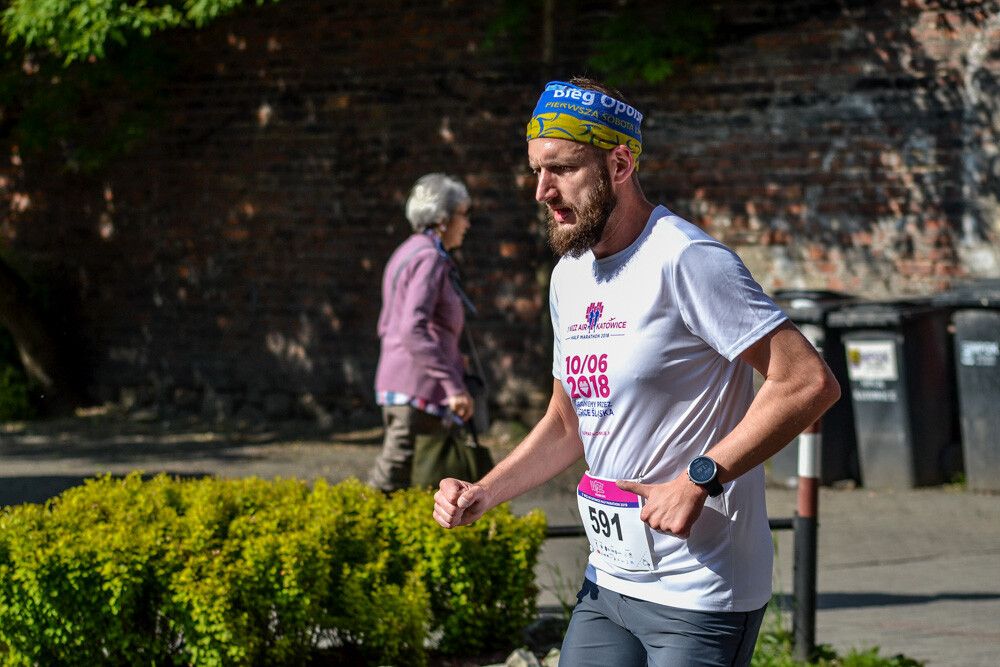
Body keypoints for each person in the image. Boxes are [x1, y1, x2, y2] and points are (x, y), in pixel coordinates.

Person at [432, 78, 841, 666]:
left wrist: (700, 477)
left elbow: (806, 381)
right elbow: (567, 421)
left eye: (563, 169)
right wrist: (484, 493)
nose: (543, 191)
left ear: (620, 162)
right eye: (535, 172)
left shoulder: (687, 259)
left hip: (701, 589)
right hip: (610, 580)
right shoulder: (568, 276)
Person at [368, 173, 480, 493]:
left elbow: (392, 323)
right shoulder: (429, 258)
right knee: (396, 482)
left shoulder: (407, 251)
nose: (467, 224)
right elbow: (412, 328)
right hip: (417, 389)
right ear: (443, 220)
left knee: (406, 481)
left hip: (403, 383)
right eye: (463, 214)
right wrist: (452, 386)